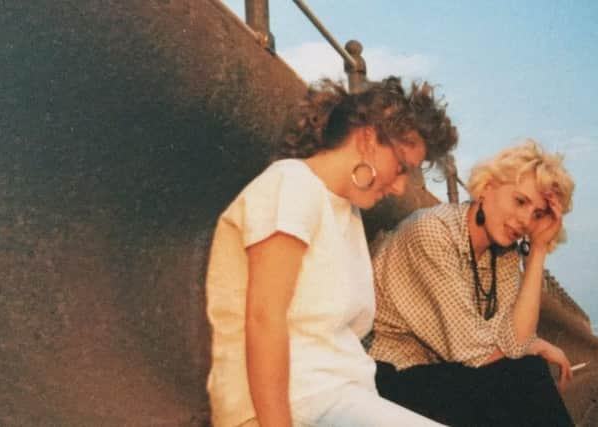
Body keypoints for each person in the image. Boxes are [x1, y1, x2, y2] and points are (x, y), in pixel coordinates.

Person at [205, 77, 457, 427]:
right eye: (402, 168)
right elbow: (264, 318)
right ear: (368, 137)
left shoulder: (346, 212)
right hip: (290, 407)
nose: (400, 188)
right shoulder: (291, 183)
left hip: (338, 400)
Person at [370, 140, 576, 426]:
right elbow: (478, 354)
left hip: (441, 374)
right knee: (526, 376)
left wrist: (538, 250)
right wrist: (534, 346)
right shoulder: (433, 231)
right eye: (520, 201)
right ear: (487, 187)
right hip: (388, 379)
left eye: (538, 214)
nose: (525, 221)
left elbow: (512, 344)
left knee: (524, 374)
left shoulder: (502, 254)